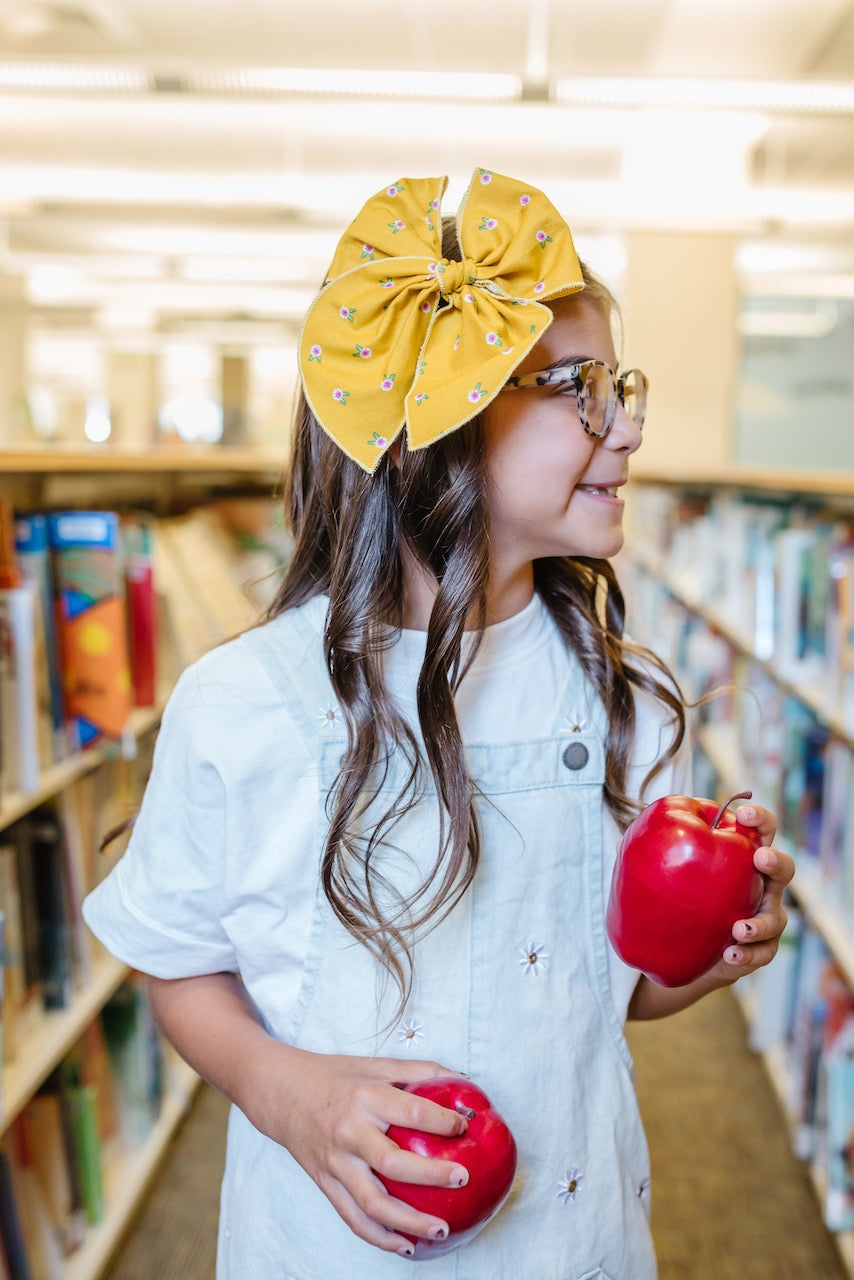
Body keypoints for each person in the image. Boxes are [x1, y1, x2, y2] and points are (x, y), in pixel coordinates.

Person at [83, 168, 793, 1279]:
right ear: (426, 426)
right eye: (576, 386)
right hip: (325, 1249)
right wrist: (281, 1089)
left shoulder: (629, 698)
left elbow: (611, 985)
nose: (628, 426)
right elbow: (176, 957)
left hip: (577, 1239)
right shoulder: (244, 704)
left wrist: (710, 947)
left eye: (622, 383)